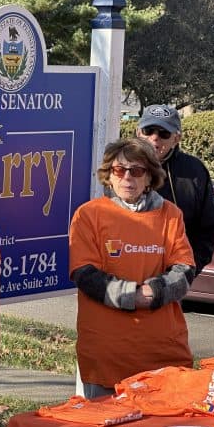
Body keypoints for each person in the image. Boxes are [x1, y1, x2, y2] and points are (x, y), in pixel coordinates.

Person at [70, 138, 195, 399]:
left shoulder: (171, 215)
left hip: (162, 355)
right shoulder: (88, 215)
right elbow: (85, 274)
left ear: (149, 177)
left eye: (137, 171)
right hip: (107, 356)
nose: (127, 177)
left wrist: (153, 293)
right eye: (119, 170)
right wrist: (132, 296)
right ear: (109, 176)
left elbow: (184, 271)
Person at [136, 104, 214, 275]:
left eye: (164, 133)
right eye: (148, 130)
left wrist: (186, 272)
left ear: (176, 138)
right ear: (139, 133)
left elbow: (209, 229)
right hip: (123, 274)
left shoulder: (194, 171)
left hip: (172, 277)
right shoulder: (121, 166)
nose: (155, 138)